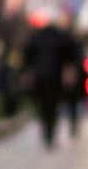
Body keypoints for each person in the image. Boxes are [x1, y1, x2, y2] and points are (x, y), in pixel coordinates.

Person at [21, 17, 81, 149]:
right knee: (52, 106)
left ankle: (48, 132)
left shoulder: (36, 38)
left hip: (43, 78)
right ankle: (49, 133)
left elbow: (26, 57)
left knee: (45, 106)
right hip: (53, 78)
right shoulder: (62, 38)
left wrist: (27, 73)